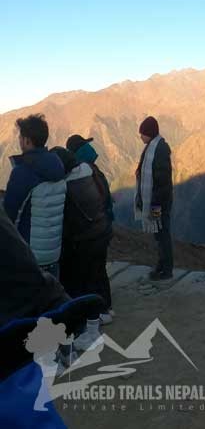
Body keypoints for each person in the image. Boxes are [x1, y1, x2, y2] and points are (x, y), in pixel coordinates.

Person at [49, 146, 112, 349]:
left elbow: (66, 222)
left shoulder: (67, 186)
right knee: (95, 279)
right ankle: (99, 321)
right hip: (100, 233)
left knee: (80, 286)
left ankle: (87, 333)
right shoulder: (87, 174)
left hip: (84, 241)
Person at [3, 114, 66, 278]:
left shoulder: (24, 172)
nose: (19, 140)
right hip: (52, 252)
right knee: (51, 299)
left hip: (29, 254)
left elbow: (9, 217)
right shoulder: (58, 165)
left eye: (20, 137)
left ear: (27, 140)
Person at [65, 134, 115, 324]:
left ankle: (99, 312)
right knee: (100, 270)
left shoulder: (79, 176)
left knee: (90, 272)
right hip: (104, 227)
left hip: (91, 232)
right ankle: (107, 307)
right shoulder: (94, 170)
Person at [134, 116, 174, 281]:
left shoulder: (159, 150)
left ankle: (165, 269)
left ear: (149, 133)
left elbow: (161, 181)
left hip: (158, 203)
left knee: (161, 233)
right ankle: (162, 265)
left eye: (142, 133)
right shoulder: (153, 147)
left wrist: (154, 206)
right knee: (159, 233)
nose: (140, 136)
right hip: (156, 202)